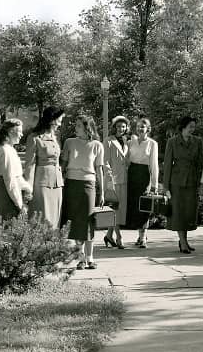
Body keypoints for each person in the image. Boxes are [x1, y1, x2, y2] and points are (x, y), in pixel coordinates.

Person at [61, 115, 105, 270]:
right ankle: (80, 258)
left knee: (88, 220)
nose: (75, 127)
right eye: (76, 124)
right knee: (76, 221)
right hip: (71, 184)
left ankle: (90, 257)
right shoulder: (69, 142)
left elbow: (99, 169)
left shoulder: (97, 145)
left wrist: (103, 192)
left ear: (88, 127)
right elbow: (63, 166)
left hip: (89, 184)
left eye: (79, 125)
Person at [164, 115, 203, 254]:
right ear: (183, 127)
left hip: (192, 181)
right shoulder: (172, 142)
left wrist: (201, 184)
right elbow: (168, 164)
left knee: (188, 213)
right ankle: (183, 242)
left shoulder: (198, 141)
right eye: (190, 127)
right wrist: (166, 187)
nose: (192, 129)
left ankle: (184, 241)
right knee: (179, 213)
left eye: (194, 127)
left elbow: (201, 164)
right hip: (177, 182)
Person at [23, 106, 65, 228]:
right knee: (43, 219)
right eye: (60, 117)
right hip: (42, 184)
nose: (62, 119)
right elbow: (30, 165)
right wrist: (28, 189)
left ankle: (53, 246)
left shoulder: (57, 136)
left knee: (55, 218)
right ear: (52, 119)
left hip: (57, 184)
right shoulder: (34, 138)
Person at [125, 117, 158, 248]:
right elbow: (126, 159)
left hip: (144, 174)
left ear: (148, 129)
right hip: (132, 173)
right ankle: (139, 234)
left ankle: (143, 236)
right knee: (134, 204)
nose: (140, 129)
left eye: (143, 127)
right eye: (138, 126)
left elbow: (154, 164)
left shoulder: (152, 143)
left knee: (144, 204)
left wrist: (155, 184)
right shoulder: (130, 142)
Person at [0, 118, 33, 220]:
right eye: (19, 131)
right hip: (8, 194)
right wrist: (19, 204)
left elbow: (17, 177)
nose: (22, 135)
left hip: (12, 192)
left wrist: (28, 189)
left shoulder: (11, 150)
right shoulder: (5, 151)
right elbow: (10, 180)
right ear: (11, 132)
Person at [103, 115, 130, 249]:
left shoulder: (126, 141)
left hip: (124, 179)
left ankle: (109, 235)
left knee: (119, 210)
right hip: (113, 180)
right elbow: (105, 161)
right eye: (118, 126)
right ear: (114, 127)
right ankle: (119, 237)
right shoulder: (108, 141)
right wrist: (109, 179)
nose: (121, 129)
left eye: (123, 126)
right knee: (114, 210)